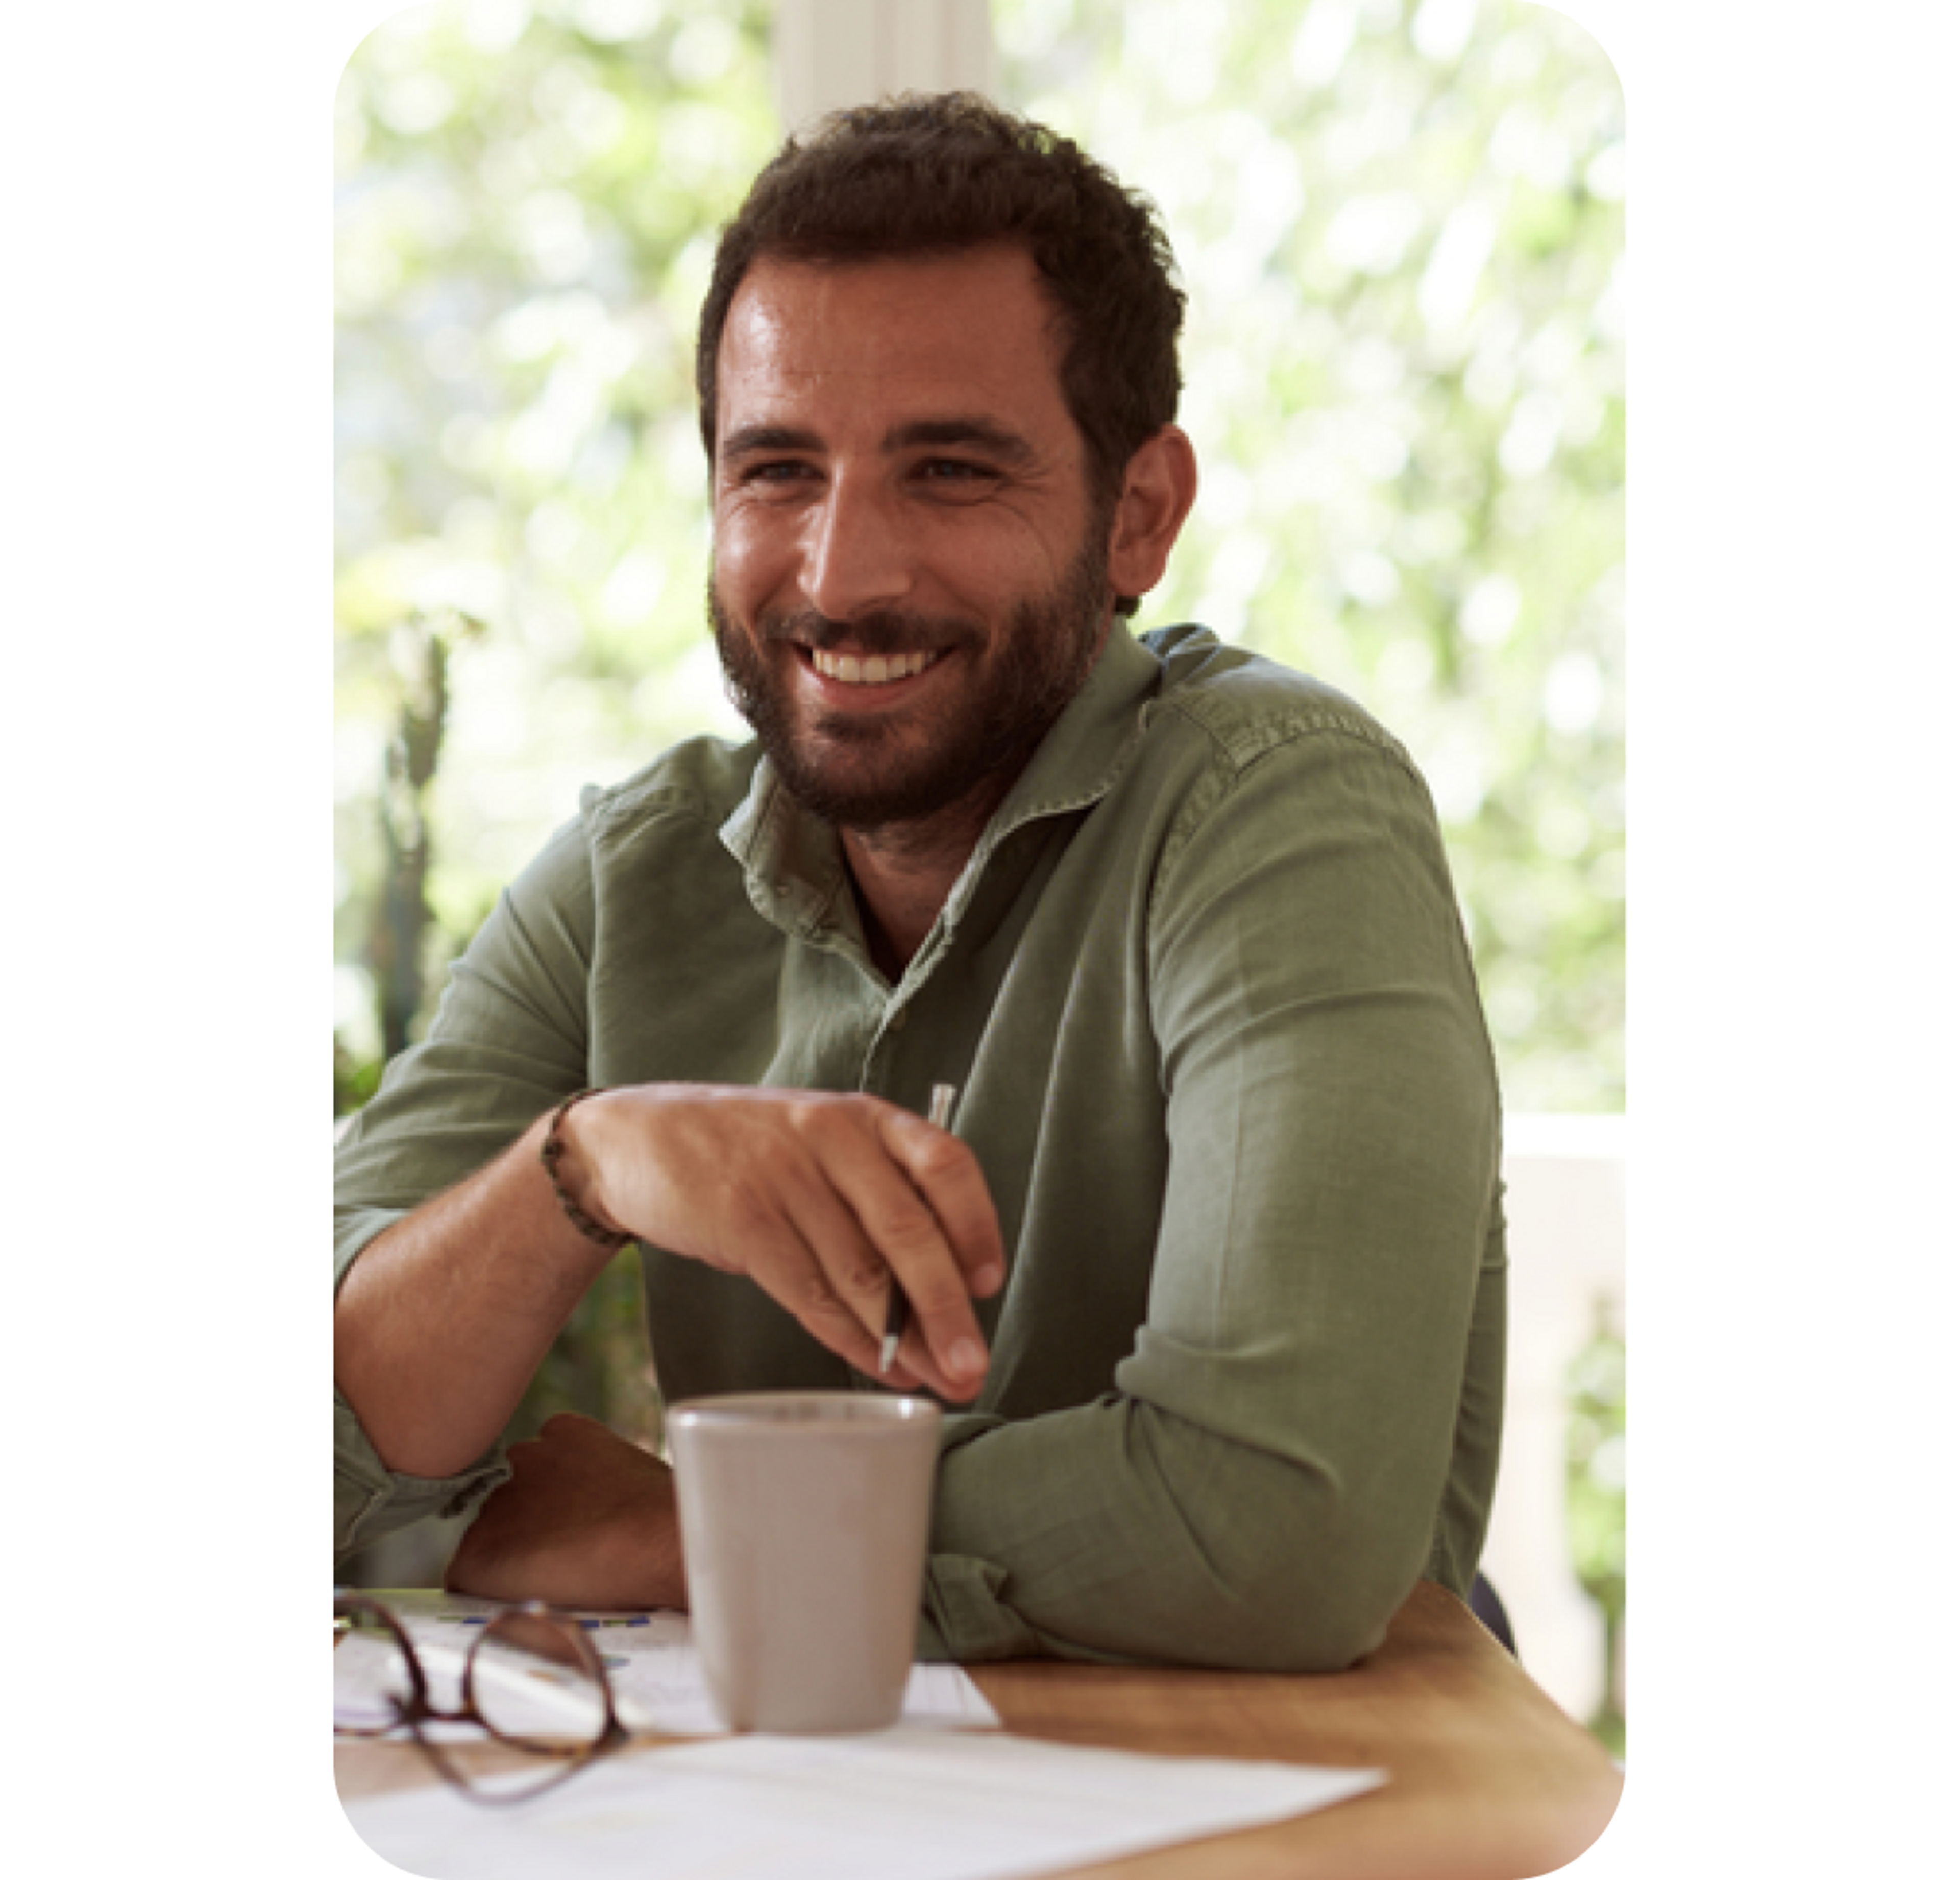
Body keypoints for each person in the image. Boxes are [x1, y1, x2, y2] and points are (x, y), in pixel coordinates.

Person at [334, 92, 1506, 1672]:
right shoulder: (631, 874)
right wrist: (587, 1167)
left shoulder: (1281, 809)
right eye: (777, 472)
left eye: (948, 471)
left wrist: (715, 1524)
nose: (840, 575)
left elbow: (1272, 1529)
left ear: (1138, 516)